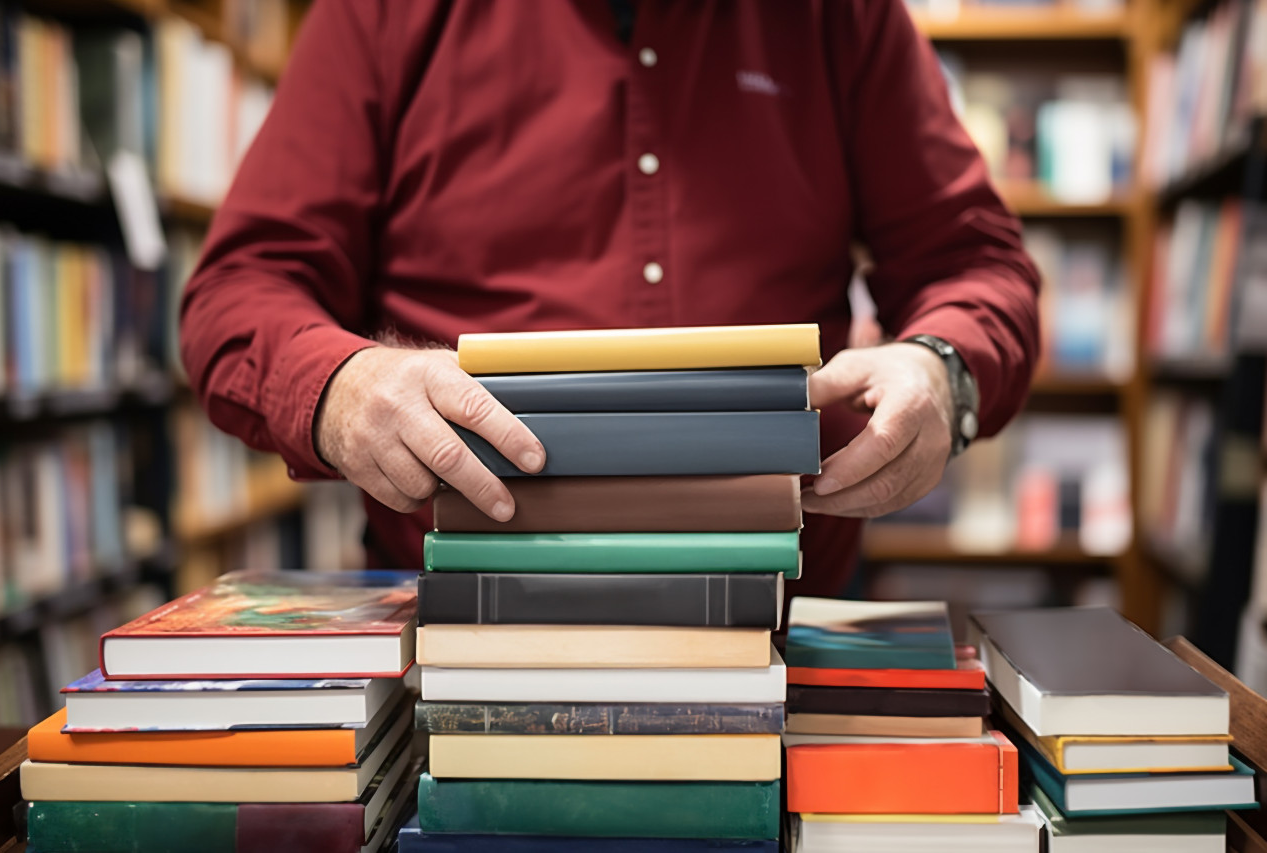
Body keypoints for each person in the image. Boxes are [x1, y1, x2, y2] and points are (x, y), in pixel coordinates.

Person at [180, 0, 1040, 600]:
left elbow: (975, 261)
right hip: (459, 615)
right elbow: (241, 286)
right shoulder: (384, 13)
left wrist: (943, 369)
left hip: (785, 614)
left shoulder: (840, 17)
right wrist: (342, 387)